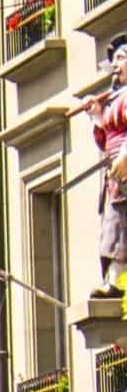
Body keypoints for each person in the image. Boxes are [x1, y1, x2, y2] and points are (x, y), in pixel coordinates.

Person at [74, 34, 127, 297]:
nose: (115, 65)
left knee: (119, 223)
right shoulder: (116, 98)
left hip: (124, 167)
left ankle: (117, 281)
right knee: (112, 224)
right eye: (114, 60)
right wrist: (96, 114)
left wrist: (125, 155)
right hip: (115, 174)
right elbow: (106, 139)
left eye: (121, 58)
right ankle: (116, 280)